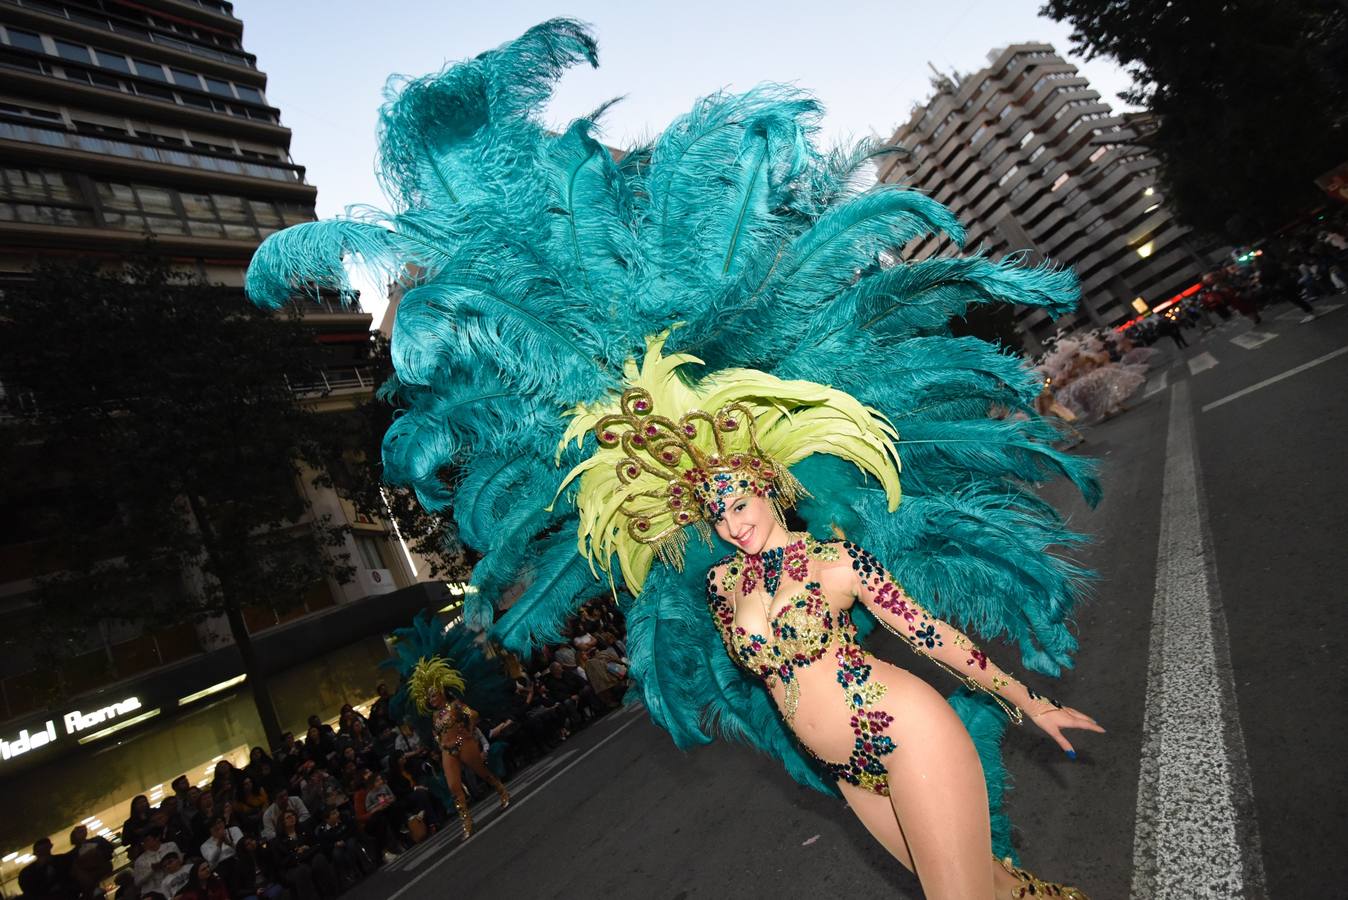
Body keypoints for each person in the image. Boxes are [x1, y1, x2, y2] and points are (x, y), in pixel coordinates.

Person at [244, 20, 1106, 898]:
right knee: (999, 892)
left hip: (906, 730)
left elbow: (936, 639)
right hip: (853, 771)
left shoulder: (833, 562)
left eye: (739, 496)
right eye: (715, 508)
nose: (731, 516)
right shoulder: (726, 588)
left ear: (772, 486)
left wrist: (1028, 701)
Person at [406, 659, 510, 836]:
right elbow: (437, 734)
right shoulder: (435, 716)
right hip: (447, 751)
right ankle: (466, 821)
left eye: (435, 695)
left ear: (442, 693)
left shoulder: (456, 705)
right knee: (453, 786)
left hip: (464, 744)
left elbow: (474, 714)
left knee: (482, 773)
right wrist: (440, 743)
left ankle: (501, 790)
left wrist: (467, 730)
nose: (432, 699)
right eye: (430, 697)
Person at [270, 810, 338, 900]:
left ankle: (330, 894)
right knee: (302, 870)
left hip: (309, 857)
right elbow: (281, 862)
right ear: (282, 822)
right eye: (288, 817)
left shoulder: (303, 829)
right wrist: (296, 854)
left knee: (319, 859)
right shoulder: (278, 841)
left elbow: (316, 844)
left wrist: (307, 848)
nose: (292, 818)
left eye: (293, 815)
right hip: (292, 867)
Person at [131, 829, 180, 897]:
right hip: (153, 892)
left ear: (157, 838)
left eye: (147, 840)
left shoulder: (171, 846)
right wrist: (152, 871)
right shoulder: (140, 861)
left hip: (175, 884)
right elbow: (137, 882)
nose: (145, 843)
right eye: (143, 842)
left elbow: (180, 861)